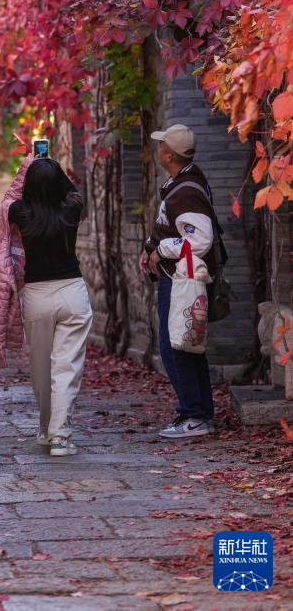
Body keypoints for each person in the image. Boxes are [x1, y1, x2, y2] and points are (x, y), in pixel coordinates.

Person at [0, 152, 92, 457]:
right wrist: (52, 167)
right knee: (66, 366)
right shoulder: (72, 210)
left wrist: (29, 167)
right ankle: (58, 435)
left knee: (40, 367)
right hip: (72, 292)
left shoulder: (20, 212)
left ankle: (49, 430)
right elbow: (71, 190)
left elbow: (8, 198)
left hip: (37, 297)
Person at [139, 123, 217, 439]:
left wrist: (161, 250)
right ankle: (197, 413)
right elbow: (171, 226)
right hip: (177, 275)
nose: (157, 150)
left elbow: (201, 238)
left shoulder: (185, 190)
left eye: (161, 146)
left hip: (181, 278)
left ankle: (195, 416)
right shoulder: (182, 183)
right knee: (186, 343)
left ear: (169, 154)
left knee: (178, 346)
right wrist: (150, 247)